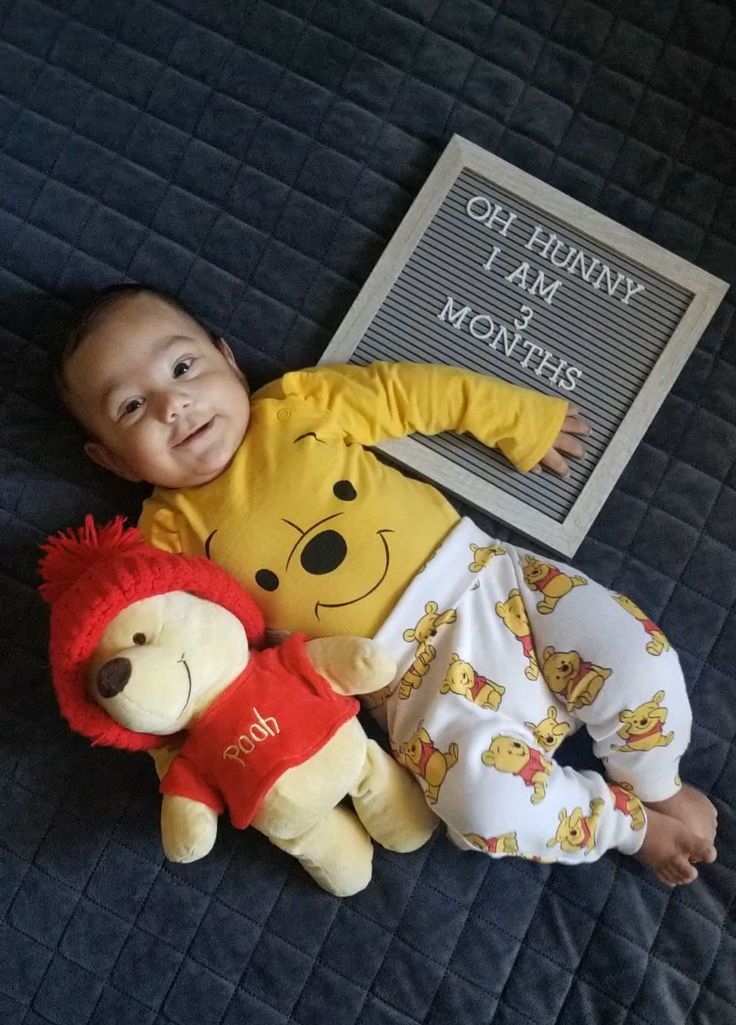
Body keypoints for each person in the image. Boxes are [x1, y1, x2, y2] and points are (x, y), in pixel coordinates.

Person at [56, 283, 717, 886]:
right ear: (109, 458)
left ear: (228, 359)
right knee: (480, 807)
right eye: (133, 405)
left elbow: (408, 393)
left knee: (634, 656)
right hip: (412, 694)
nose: (175, 404)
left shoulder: (293, 406)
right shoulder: (161, 540)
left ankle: (653, 777)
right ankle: (625, 825)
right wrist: (181, 766)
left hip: (494, 586)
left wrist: (517, 419)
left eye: (183, 367)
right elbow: (176, 669)